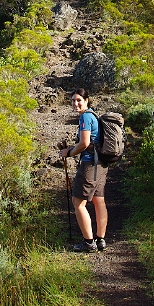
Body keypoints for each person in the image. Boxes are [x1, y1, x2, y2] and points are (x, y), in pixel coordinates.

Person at [59, 88, 108, 252]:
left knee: (78, 202)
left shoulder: (86, 117)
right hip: (101, 164)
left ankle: (88, 242)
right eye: (73, 100)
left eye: (79, 100)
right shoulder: (94, 115)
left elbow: (84, 143)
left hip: (89, 165)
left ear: (87, 101)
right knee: (98, 200)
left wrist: (69, 152)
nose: (75, 103)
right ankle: (100, 240)